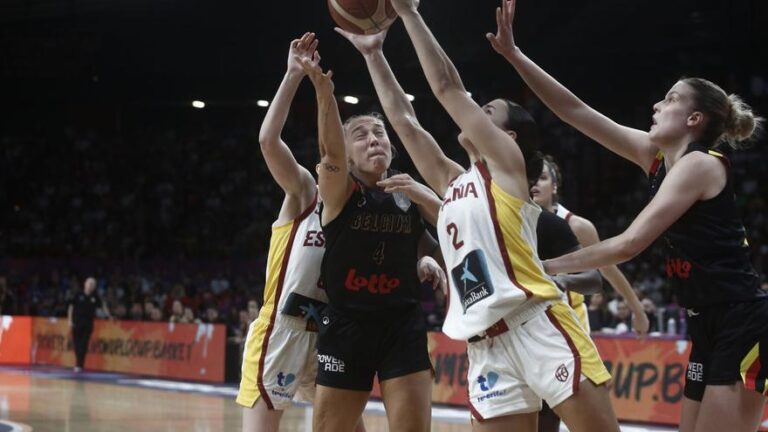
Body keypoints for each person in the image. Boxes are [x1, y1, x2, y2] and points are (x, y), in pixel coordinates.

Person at [489, 1, 768, 430]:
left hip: (740, 319)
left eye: (671, 99)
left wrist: (542, 266)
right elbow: (576, 112)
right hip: (704, 320)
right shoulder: (656, 157)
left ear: (694, 119)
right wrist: (514, 56)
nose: (657, 104)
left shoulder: (701, 164)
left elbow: (630, 242)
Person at [387, 1, 620, 430]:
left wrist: (409, 15)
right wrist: (372, 53)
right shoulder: (454, 181)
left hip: (537, 327)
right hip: (485, 345)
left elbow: (448, 89)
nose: (477, 110)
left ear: (506, 136)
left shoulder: (507, 167)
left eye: (487, 111)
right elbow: (405, 124)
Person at [299, 43, 446, 432]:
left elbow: (448, 238)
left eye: (379, 133)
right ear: (347, 154)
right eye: (360, 135)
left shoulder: (407, 192)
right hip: (349, 324)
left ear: (392, 147)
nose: (373, 140)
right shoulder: (339, 190)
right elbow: (329, 149)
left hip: (403, 322)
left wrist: (427, 256)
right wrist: (323, 94)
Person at [235, 33, 366, 432]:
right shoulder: (307, 190)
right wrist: (293, 75)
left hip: (330, 337)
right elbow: (267, 140)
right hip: (283, 332)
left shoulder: (362, 209)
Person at [531, 156, 649, 336]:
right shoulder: (511, 219)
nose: (535, 183)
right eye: (530, 177)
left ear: (554, 186)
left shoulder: (577, 225)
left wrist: (638, 311)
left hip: (568, 318)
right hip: (527, 318)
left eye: (543, 177)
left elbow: (608, 269)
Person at [67, 277, 112, 372]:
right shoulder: (78, 294)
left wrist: (108, 315)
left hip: (88, 324)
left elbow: (102, 305)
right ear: (85, 284)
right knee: (77, 344)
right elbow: (71, 307)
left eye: (93, 284)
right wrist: (70, 320)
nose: (91, 286)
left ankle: (79, 364)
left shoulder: (95, 297)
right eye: (89, 283)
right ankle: (79, 363)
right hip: (77, 323)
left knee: (84, 344)